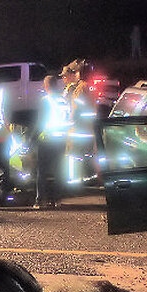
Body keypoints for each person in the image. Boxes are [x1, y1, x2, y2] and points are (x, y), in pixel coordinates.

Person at [35, 74, 71, 208]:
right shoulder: (63, 100)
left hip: (47, 139)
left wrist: (32, 138)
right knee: (58, 170)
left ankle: (40, 200)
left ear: (46, 86)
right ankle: (57, 199)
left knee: (42, 170)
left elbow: (41, 122)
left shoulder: (46, 100)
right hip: (61, 138)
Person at [61, 59, 99, 186]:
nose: (76, 74)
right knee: (87, 154)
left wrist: (69, 122)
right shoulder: (90, 87)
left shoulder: (81, 88)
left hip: (78, 130)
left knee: (73, 155)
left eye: (77, 72)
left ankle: (74, 181)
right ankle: (90, 177)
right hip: (89, 129)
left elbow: (76, 109)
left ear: (81, 73)